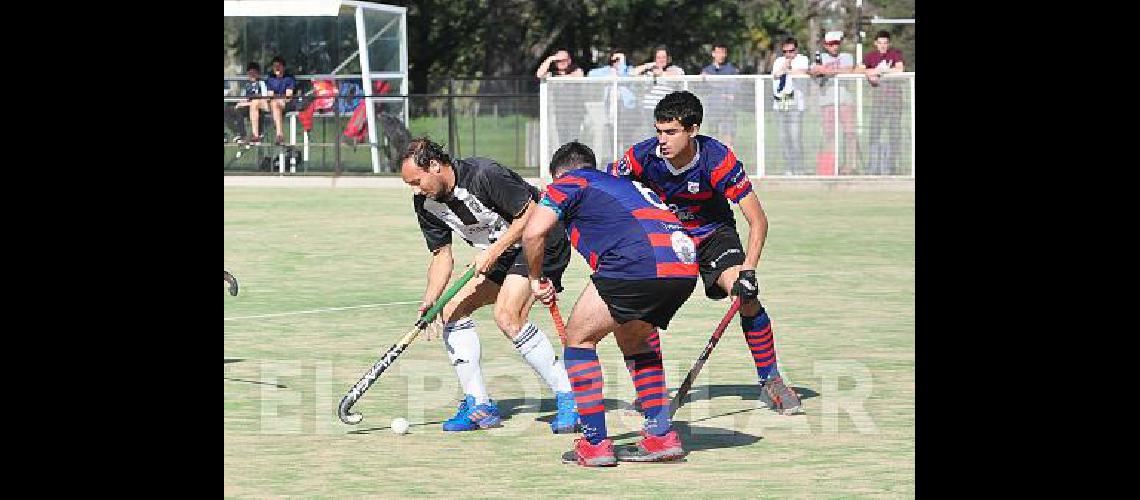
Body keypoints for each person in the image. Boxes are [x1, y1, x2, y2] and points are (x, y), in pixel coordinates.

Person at [608, 90, 803, 415]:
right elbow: (609, 186)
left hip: (713, 234)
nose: (662, 140)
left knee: (747, 298)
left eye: (671, 132)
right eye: (659, 131)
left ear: (693, 129)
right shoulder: (642, 156)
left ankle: (772, 381)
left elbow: (758, 220)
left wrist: (749, 272)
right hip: (666, 238)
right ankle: (651, 391)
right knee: (640, 310)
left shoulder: (717, 159)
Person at [523, 141, 698, 467]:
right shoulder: (623, 184)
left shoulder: (569, 182)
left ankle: (595, 444)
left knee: (578, 339)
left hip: (638, 263)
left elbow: (534, 233)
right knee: (633, 339)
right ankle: (660, 437)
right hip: (683, 264)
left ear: (558, 174)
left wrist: (536, 279)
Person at [399, 138, 579, 433]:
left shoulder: (484, 174)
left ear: (434, 166)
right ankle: (479, 405)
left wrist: (493, 252)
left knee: (507, 315)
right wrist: (431, 300)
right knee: (452, 311)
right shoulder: (425, 203)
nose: (416, 190)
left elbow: (532, 215)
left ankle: (570, 395)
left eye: (417, 182)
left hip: (541, 241)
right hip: (501, 251)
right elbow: (442, 255)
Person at [858, 30, 907, 174]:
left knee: (894, 133)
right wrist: (870, 73)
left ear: (889, 43)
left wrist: (880, 72)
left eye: (885, 43)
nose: (883, 46)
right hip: (878, 102)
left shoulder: (895, 54)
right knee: (874, 133)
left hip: (894, 102)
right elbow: (858, 70)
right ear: (875, 43)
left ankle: (892, 165)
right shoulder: (870, 56)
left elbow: (899, 69)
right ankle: (873, 166)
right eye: (880, 43)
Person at [809, 31, 858, 174]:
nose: (834, 47)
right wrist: (821, 70)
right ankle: (832, 165)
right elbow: (814, 71)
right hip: (827, 102)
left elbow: (848, 71)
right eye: (831, 44)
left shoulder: (846, 56)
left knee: (850, 133)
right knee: (829, 134)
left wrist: (826, 70)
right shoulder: (820, 57)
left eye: (836, 43)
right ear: (825, 45)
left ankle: (851, 165)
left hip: (845, 100)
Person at [771, 37, 811, 175]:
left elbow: (803, 73)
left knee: (795, 137)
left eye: (791, 51)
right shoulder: (778, 61)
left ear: (796, 50)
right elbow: (775, 75)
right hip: (781, 105)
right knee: (784, 138)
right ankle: (788, 168)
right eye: (785, 51)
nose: (788, 54)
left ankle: (799, 168)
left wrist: (789, 70)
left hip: (796, 105)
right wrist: (784, 67)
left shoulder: (802, 59)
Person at [700, 42, 741, 150]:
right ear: (713, 53)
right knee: (712, 141)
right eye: (718, 52)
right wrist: (706, 80)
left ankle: (730, 166)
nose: (721, 55)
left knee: (728, 143)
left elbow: (733, 93)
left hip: (728, 112)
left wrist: (711, 80)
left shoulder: (732, 70)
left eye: (723, 52)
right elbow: (701, 89)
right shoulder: (706, 71)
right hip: (712, 110)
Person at [228, 62, 268, 144]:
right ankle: (240, 134)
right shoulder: (247, 85)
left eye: (254, 73)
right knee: (229, 110)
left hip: (258, 107)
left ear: (258, 74)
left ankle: (256, 134)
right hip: (248, 107)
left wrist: (246, 103)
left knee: (248, 107)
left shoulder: (261, 83)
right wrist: (240, 103)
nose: (252, 75)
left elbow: (264, 98)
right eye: (250, 73)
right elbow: (244, 97)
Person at [263, 56, 297, 146]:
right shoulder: (270, 78)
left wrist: (279, 98)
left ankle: (279, 134)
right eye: (274, 66)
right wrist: (277, 98)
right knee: (256, 103)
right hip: (275, 103)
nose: (276, 68)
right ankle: (256, 135)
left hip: (287, 104)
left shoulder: (289, 78)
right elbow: (270, 95)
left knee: (275, 104)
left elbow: (288, 95)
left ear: (283, 67)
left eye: (279, 66)